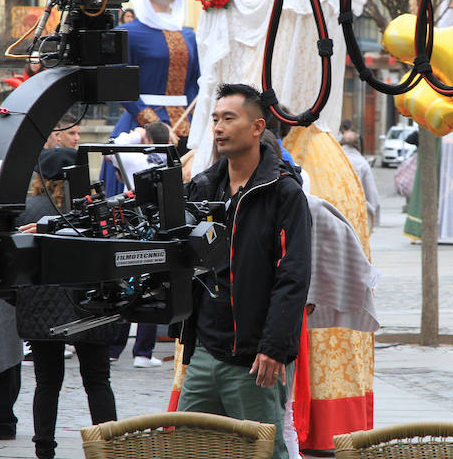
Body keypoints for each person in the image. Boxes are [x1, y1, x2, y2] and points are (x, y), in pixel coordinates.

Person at [173, 84, 311, 459]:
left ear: (256, 127)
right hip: (204, 351)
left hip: (255, 359)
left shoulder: (284, 192)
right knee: (190, 448)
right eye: (215, 118)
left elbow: (294, 275)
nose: (218, 127)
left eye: (229, 118)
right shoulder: (204, 187)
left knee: (262, 452)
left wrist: (273, 348)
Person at [16, 148, 118, 459]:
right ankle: (108, 445)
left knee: (46, 382)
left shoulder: (26, 208)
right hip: (88, 304)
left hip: (39, 306)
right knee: (98, 380)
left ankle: (44, 448)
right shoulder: (92, 211)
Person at [100, 0, 201, 197]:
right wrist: (154, 126)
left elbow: (195, 85)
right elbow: (120, 87)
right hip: (139, 129)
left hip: (187, 135)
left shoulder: (189, 34)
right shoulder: (126, 34)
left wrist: (199, 124)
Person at [107, 120, 170, 367]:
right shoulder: (169, 160)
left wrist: (135, 134)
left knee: (127, 283)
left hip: (133, 223)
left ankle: (114, 348)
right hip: (157, 225)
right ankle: (143, 352)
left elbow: (113, 145)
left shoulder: (136, 159)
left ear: (147, 140)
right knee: (154, 284)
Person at [340, 130, 380, 231]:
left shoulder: (334, 159)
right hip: (356, 212)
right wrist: (374, 219)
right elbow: (371, 193)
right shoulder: (362, 163)